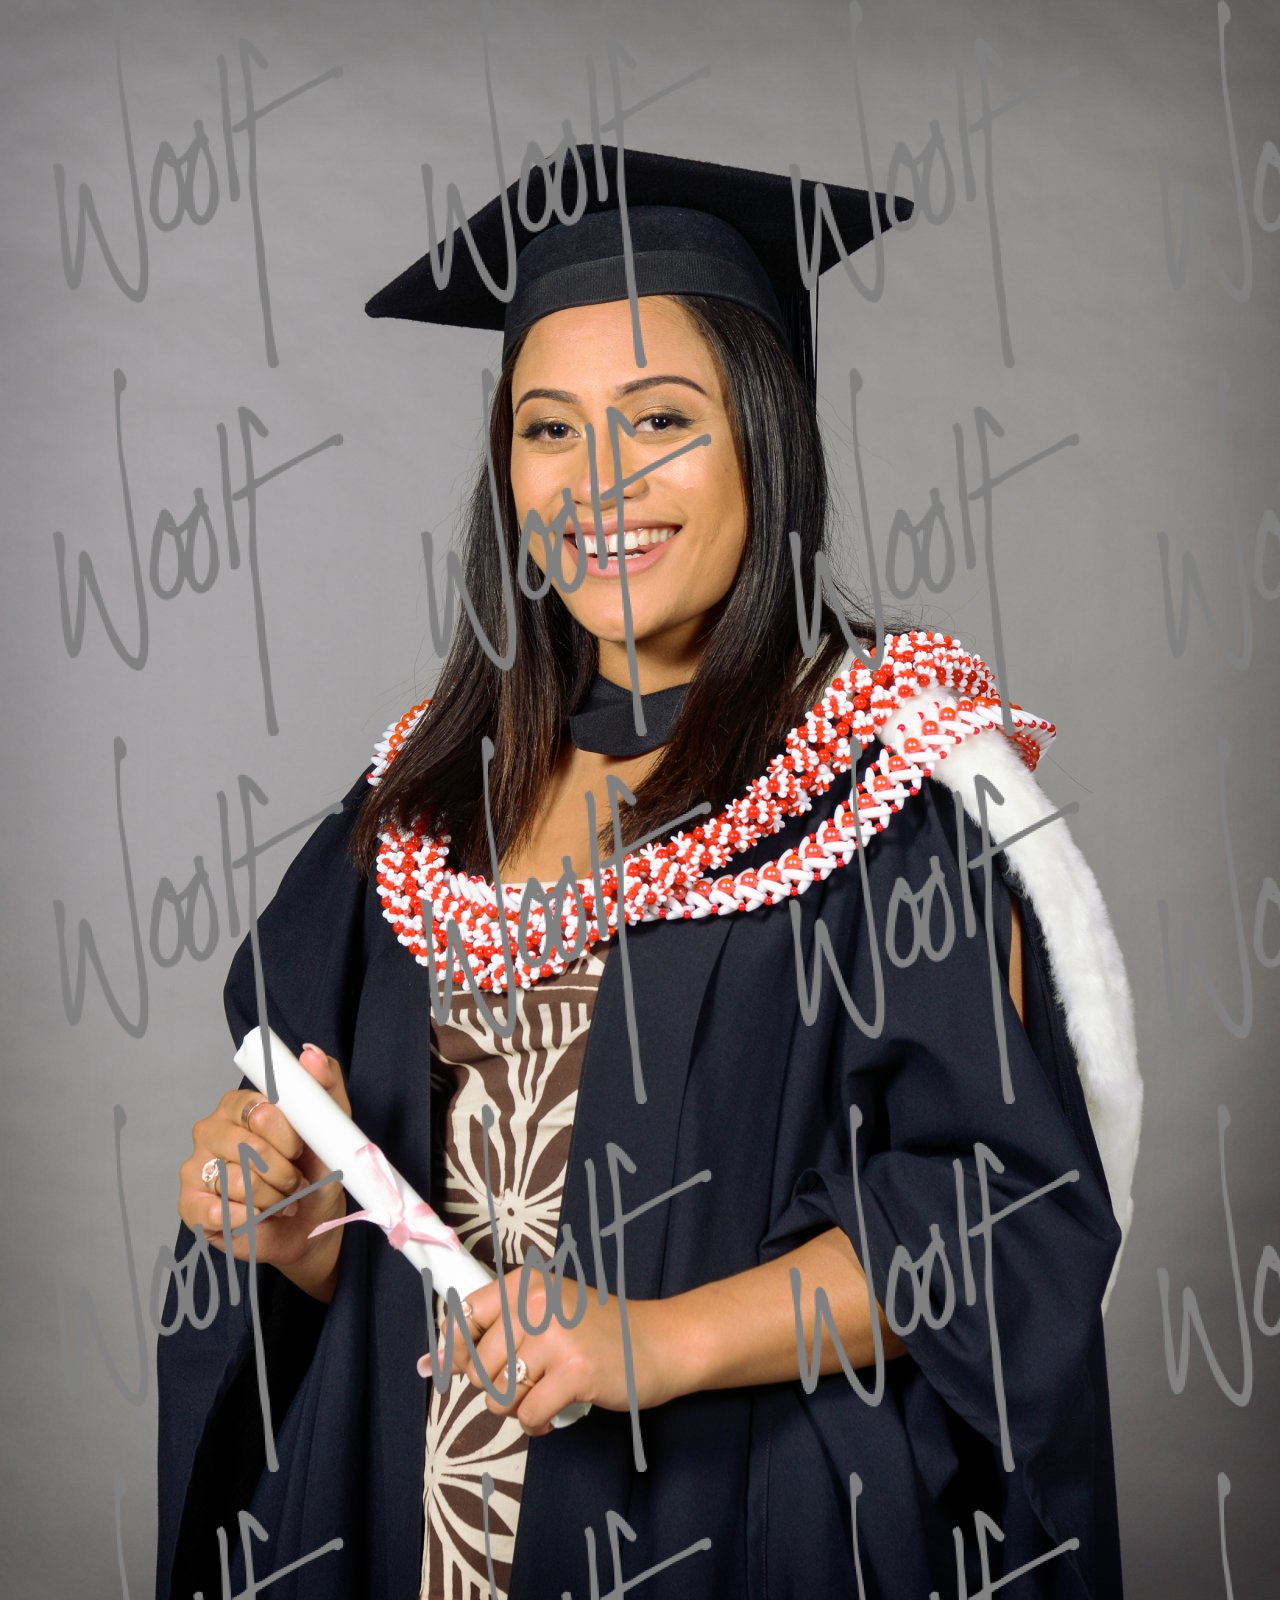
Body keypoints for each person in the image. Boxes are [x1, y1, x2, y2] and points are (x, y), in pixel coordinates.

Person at [155, 148, 1142, 1600]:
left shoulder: (882, 800)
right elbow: (346, 1243)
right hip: (416, 1529)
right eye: (548, 428)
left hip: (724, 1535)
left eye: (662, 418)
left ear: (768, 438)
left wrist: (656, 1342)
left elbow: (989, 1236)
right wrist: (288, 1231)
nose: (598, 480)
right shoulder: (420, 807)